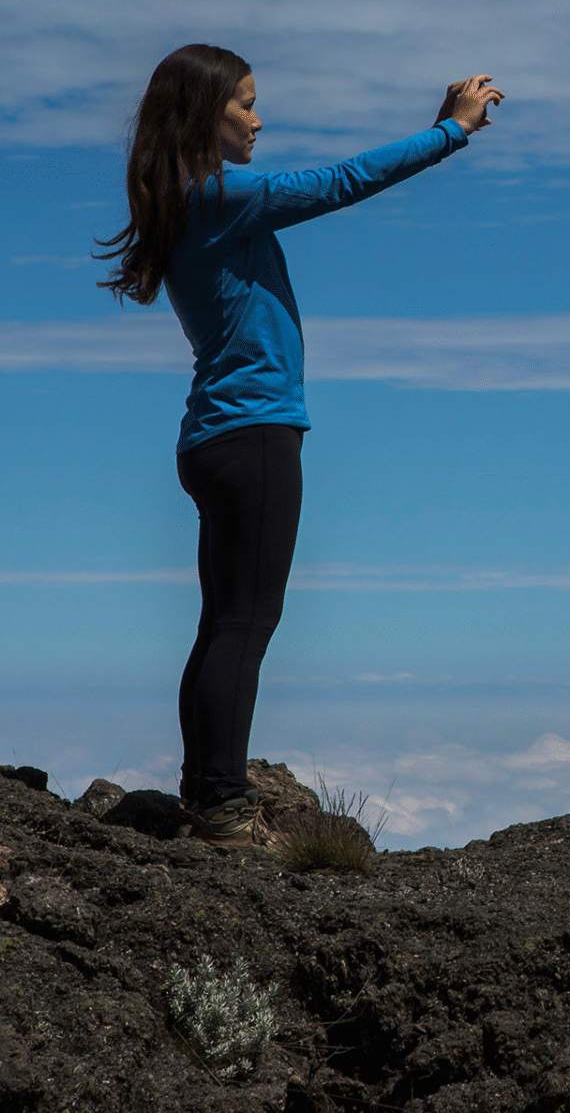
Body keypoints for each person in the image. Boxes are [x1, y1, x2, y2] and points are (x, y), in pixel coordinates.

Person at [94, 44, 502, 846]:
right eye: (244, 103)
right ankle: (219, 804)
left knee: (224, 622)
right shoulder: (219, 196)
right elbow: (340, 182)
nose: (257, 118)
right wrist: (452, 131)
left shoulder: (185, 203)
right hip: (252, 433)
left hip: (216, 436)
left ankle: (206, 788)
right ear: (204, 115)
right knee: (246, 623)